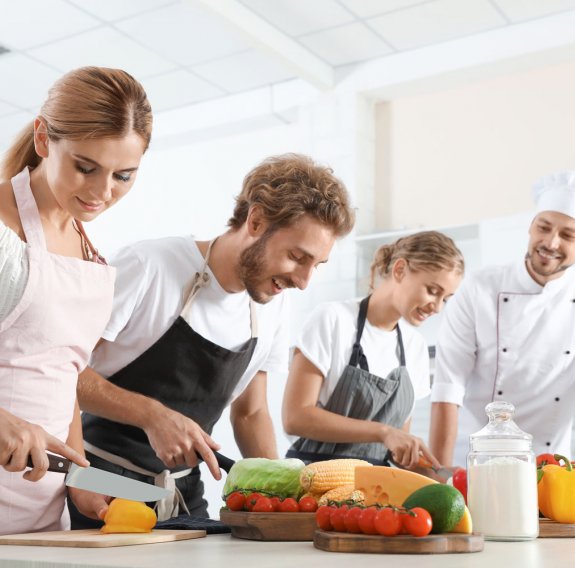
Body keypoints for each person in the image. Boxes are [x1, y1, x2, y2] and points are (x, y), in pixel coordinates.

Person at [70, 153, 355, 527]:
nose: (303, 281)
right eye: (296, 257)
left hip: (186, 501)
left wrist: (285, 499)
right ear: (255, 221)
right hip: (101, 488)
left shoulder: (270, 306)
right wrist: (152, 415)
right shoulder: (148, 267)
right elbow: (61, 373)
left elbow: (251, 413)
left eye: (315, 265)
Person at [0, 66, 153, 535]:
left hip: (39, 513)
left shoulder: (90, 254)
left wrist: (78, 475)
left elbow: (62, 372)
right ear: (44, 140)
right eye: (85, 167)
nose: (101, 192)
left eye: (123, 176)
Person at [283, 231, 464, 470]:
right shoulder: (332, 319)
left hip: (377, 491)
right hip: (314, 484)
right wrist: (383, 432)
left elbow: (396, 450)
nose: (438, 307)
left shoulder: (414, 347)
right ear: (399, 270)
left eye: (446, 299)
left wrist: (440, 473)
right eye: (432, 290)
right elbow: (295, 418)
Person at [430, 172, 575, 467]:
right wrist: (440, 473)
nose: (551, 242)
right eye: (543, 227)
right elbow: (448, 386)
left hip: (552, 468)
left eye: (568, 235)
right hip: (477, 460)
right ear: (530, 227)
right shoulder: (479, 288)